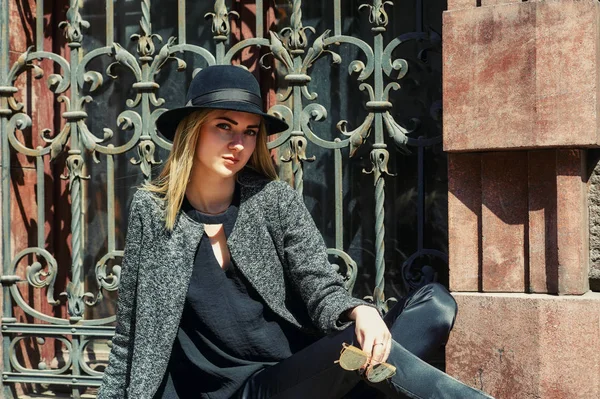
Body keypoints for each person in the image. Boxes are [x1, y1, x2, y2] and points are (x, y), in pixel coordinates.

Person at [97, 65, 493, 399]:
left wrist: (361, 309)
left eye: (251, 131)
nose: (239, 143)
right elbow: (130, 332)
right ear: (192, 130)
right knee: (360, 349)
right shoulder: (153, 211)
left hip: (299, 375)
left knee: (434, 304)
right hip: (243, 392)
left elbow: (319, 284)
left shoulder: (272, 200)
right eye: (224, 126)